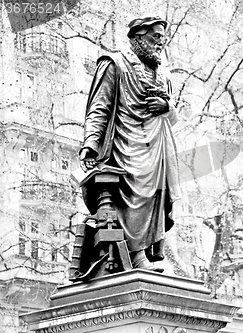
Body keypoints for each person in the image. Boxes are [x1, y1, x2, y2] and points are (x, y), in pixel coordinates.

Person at [79, 16, 181, 273]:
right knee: (135, 195)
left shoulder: (163, 73)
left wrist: (167, 107)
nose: (160, 43)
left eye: (162, 38)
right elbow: (99, 107)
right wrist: (91, 142)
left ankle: (146, 253)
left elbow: (174, 116)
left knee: (157, 196)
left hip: (158, 146)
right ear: (138, 36)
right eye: (155, 37)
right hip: (126, 144)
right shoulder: (114, 64)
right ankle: (135, 256)